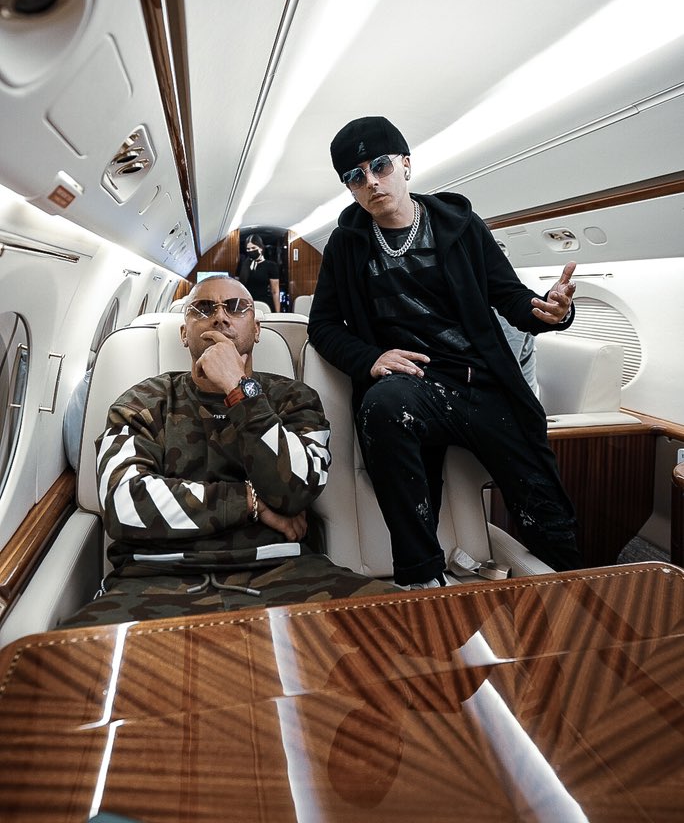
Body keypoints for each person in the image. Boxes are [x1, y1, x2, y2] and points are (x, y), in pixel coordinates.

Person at [308, 115, 582, 590]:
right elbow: (324, 326)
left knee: (543, 501)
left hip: (483, 384)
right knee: (382, 405)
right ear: (349, 188)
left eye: (380, 166)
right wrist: (370, 359)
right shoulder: (345, 246)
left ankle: (576, 584)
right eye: (355, 176)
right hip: (413, 387)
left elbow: (512, 299)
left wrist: (551, 312)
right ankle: (421, 578)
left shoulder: (461, 226)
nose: (371, 181)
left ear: (405, 164)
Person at [60, 275, 394, 628]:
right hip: (155, 581)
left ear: (257, 328)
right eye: (203, 309)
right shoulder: (144, 401)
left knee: (405, 626)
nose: (220, 317)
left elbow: (296, 490)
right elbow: (125, 504)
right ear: (184, 333)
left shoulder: (294, 399)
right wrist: (252, 502)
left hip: (284, 574)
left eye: (236, 307)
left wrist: (238, 389)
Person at [238, 233, 280, 311]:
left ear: (260, 248)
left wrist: (278, 312)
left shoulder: (271, 266)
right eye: (248, 249)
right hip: (246, 304)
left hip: (264, 304)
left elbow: (275, 291)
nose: (251, 251)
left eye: (253, 248)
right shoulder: (243, 265)